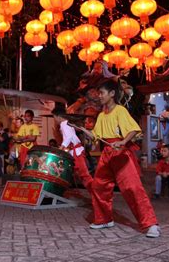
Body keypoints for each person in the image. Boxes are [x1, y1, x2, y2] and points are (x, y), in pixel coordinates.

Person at [78, 79, 160, 238]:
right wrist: (80, 128)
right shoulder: (101, 115)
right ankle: (104, 219)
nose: (99, 96)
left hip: (120, 153)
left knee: (132, 188)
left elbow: (133, 130)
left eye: (101, 93)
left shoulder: (120, 110)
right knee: (98, 186)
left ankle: (150, 224)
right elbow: (96, 136)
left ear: (112, 94)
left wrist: (123, 142)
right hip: (107, 153)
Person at [51, 107, 93, 194]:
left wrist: (62, 148)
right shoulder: (67, 123)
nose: (54, 120)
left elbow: (69, 138)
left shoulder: (64, 124)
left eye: (54, 117)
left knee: (84, 175)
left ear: (58, 116)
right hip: (74, 151)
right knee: (70, 173)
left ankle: (96, 193)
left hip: (76, 152)